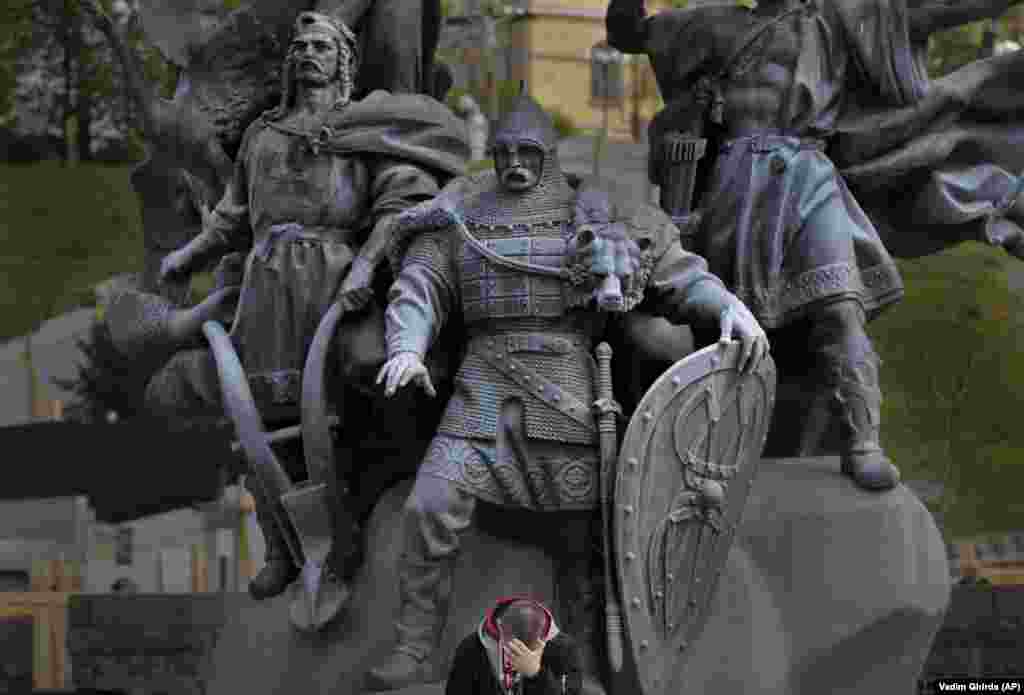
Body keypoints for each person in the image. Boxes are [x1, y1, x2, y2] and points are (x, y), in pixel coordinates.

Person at [366, 89, 769, 692]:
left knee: (590, 542)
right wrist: (406, 348)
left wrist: (727, 305)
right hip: (481, 395)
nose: (514, 163)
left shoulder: (593, 212)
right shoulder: (460, 214)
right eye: (503, 152)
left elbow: (669, 269)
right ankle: (413, 644)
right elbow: (419, 287)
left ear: (548, 153)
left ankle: (587, 671)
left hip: (568, 394)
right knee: (429, 508)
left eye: (527, 151)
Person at [606, 0, 1024, 491]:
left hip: (808, 178)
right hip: (733, 190)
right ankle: (709, 442)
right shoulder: (705, 25)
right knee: (723, 324)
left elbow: (935, 10)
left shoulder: (839, 22)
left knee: (842, 307)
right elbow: (627, 33)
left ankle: (862, 441)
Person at [155, 10, 468, 601]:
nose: (307, 55)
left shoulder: (365, 130)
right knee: (256, 418)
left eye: (321, 47)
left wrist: (366, 267)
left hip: (332, 279)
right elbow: (232, 218)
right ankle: (280, 547)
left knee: (337, 411)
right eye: (299, 47)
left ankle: (346, 541)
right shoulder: (261, 136)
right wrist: (186, 258)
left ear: (342, 60)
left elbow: (397, 208)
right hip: (267, 284)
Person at [446, 597, 581, 695]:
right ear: (500, 626)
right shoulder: (471, 648)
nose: (520, 654)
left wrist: (536, 674)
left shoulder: (564, 649)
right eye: (514, 647)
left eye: (527, 648)